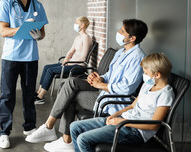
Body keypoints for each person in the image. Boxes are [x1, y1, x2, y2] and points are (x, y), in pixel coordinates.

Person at [25, 19, 148, 152]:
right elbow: (109, 75)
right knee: (69, 83)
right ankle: (56, 132)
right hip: (103, 90)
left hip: (112, 100)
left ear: (132, 38)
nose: (118, 32)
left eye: (122, 31)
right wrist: (98, 77)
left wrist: (101, 85)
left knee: (69, 96)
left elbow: (126, 88)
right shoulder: (120, 52)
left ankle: (60, 135)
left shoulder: (138, 58)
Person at [70, 53, 174, 152]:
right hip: (123, 121)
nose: (144, 75)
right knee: (75, 127)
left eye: (146, 73)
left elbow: (153, 126)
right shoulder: (148, 85)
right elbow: (133, 105)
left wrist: (121, 122)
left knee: (83, 139)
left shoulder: (165, 94)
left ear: (157, 75)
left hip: (135, 131)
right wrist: (115, 116)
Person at [0, 0, 48, 149]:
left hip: (31, 57)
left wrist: (37, 35)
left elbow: (42, 34)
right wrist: (22, 30)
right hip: (11, 57)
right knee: (7, 95)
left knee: (28, 95)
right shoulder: (6, 3)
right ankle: (4, 132)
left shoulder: (37, 6)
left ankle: (30, 127)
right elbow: (3, 31)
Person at [35, 16, 93, 104]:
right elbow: (71, 51)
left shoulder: (86, 38)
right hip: (71, 63)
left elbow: (83, 58)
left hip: (78, 66)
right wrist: (66, 60)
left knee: (50, 71)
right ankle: (38, 93)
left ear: (82, 25)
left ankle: (41, 97)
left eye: (76, 23)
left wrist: (69, 64)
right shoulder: (78, 37)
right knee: (46, 67)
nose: (75, 25)